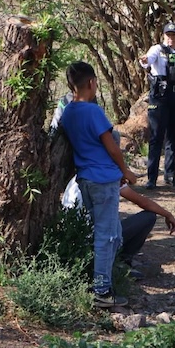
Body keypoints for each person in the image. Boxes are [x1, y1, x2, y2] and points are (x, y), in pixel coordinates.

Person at [60, 61, 138, 308]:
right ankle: (101, 290)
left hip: (86, 177)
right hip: (103, 179)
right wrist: (125, 170)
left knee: (111, 233)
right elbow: (112, 147)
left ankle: (106, 281)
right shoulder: (92, 111)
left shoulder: (68, 112)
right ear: (92, 83)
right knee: (106, 235)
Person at [62, 172, 175, 279]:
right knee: (148, 217)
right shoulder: (107, 177)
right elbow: (142, 201)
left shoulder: (84, 175)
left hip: (73, 238)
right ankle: (121, 261)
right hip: (94, 240)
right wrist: (167, 214)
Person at [140, 22, 175, 189]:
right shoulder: (157, 50)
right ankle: (151, 178)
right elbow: (147, 61)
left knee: (173, 137)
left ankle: (171, 175)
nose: (171, 38)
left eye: (174, 35)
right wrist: (144, 61)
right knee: (156, 137)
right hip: (160, 98)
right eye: (168, 35)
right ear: (164, 36)